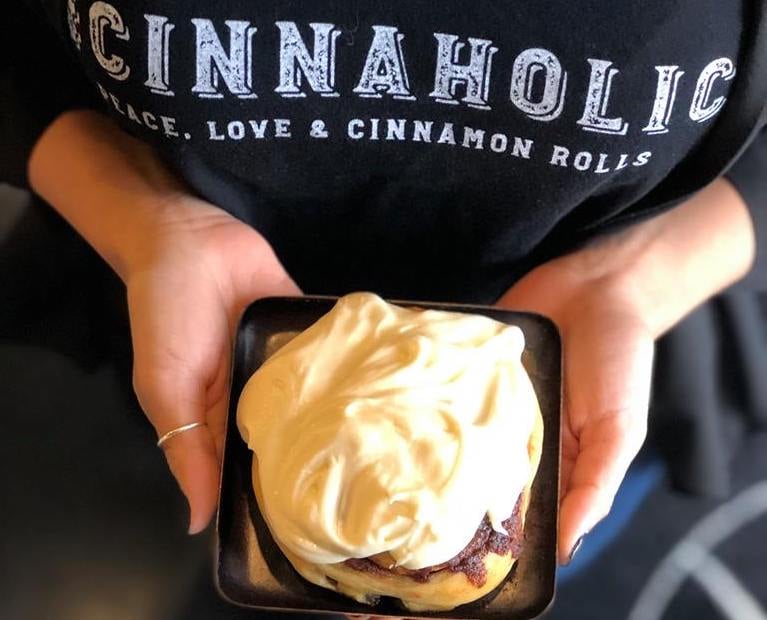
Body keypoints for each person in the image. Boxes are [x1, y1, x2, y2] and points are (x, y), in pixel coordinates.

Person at [3, 0, 765, 577]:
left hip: (591, 366)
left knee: (565, 551)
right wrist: (147, 223)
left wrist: (631, 278)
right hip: (204, 338)